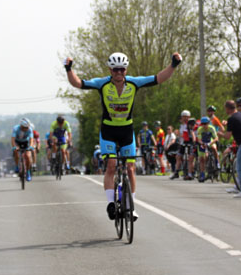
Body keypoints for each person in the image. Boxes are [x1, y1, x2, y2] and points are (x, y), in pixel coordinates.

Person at [65, 52, 182, 220]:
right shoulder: (102, 84)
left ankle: (130, 206)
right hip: (108, 131)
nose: (119, 73)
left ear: (126, 69)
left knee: (130, 168)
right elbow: (78, 83)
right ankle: (111, 203)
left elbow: (158, 78)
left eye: (122, 69)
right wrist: (68, 69)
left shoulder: (133, 83)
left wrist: (173, 65)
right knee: (111, 164)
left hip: (126, 131)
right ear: (110, 70)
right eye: (115, 70)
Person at [172, 109, 196, 180]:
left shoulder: (190, 124)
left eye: (186, 117)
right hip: (182, 143)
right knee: (178, 157)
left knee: (190, 158)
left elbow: (191, 134)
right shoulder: (181, 125)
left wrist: (194, 141)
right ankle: (176, 172)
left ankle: (191, 172)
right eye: (183, 117)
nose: (185, 118)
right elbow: (181, 135)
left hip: (189, 142)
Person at [196, 116, 218, 182]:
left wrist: (211, 143)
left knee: (214, 148)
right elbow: (199, 139)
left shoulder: (211, 128)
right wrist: (202, 143)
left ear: (208, 123)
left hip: (210, 142)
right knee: (202, 159)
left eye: (206, 124)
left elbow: (216, 138)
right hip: (202, 143)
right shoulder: (200, 129)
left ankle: (217, 162)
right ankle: (202, 174)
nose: (204, 125)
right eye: (203, 124)